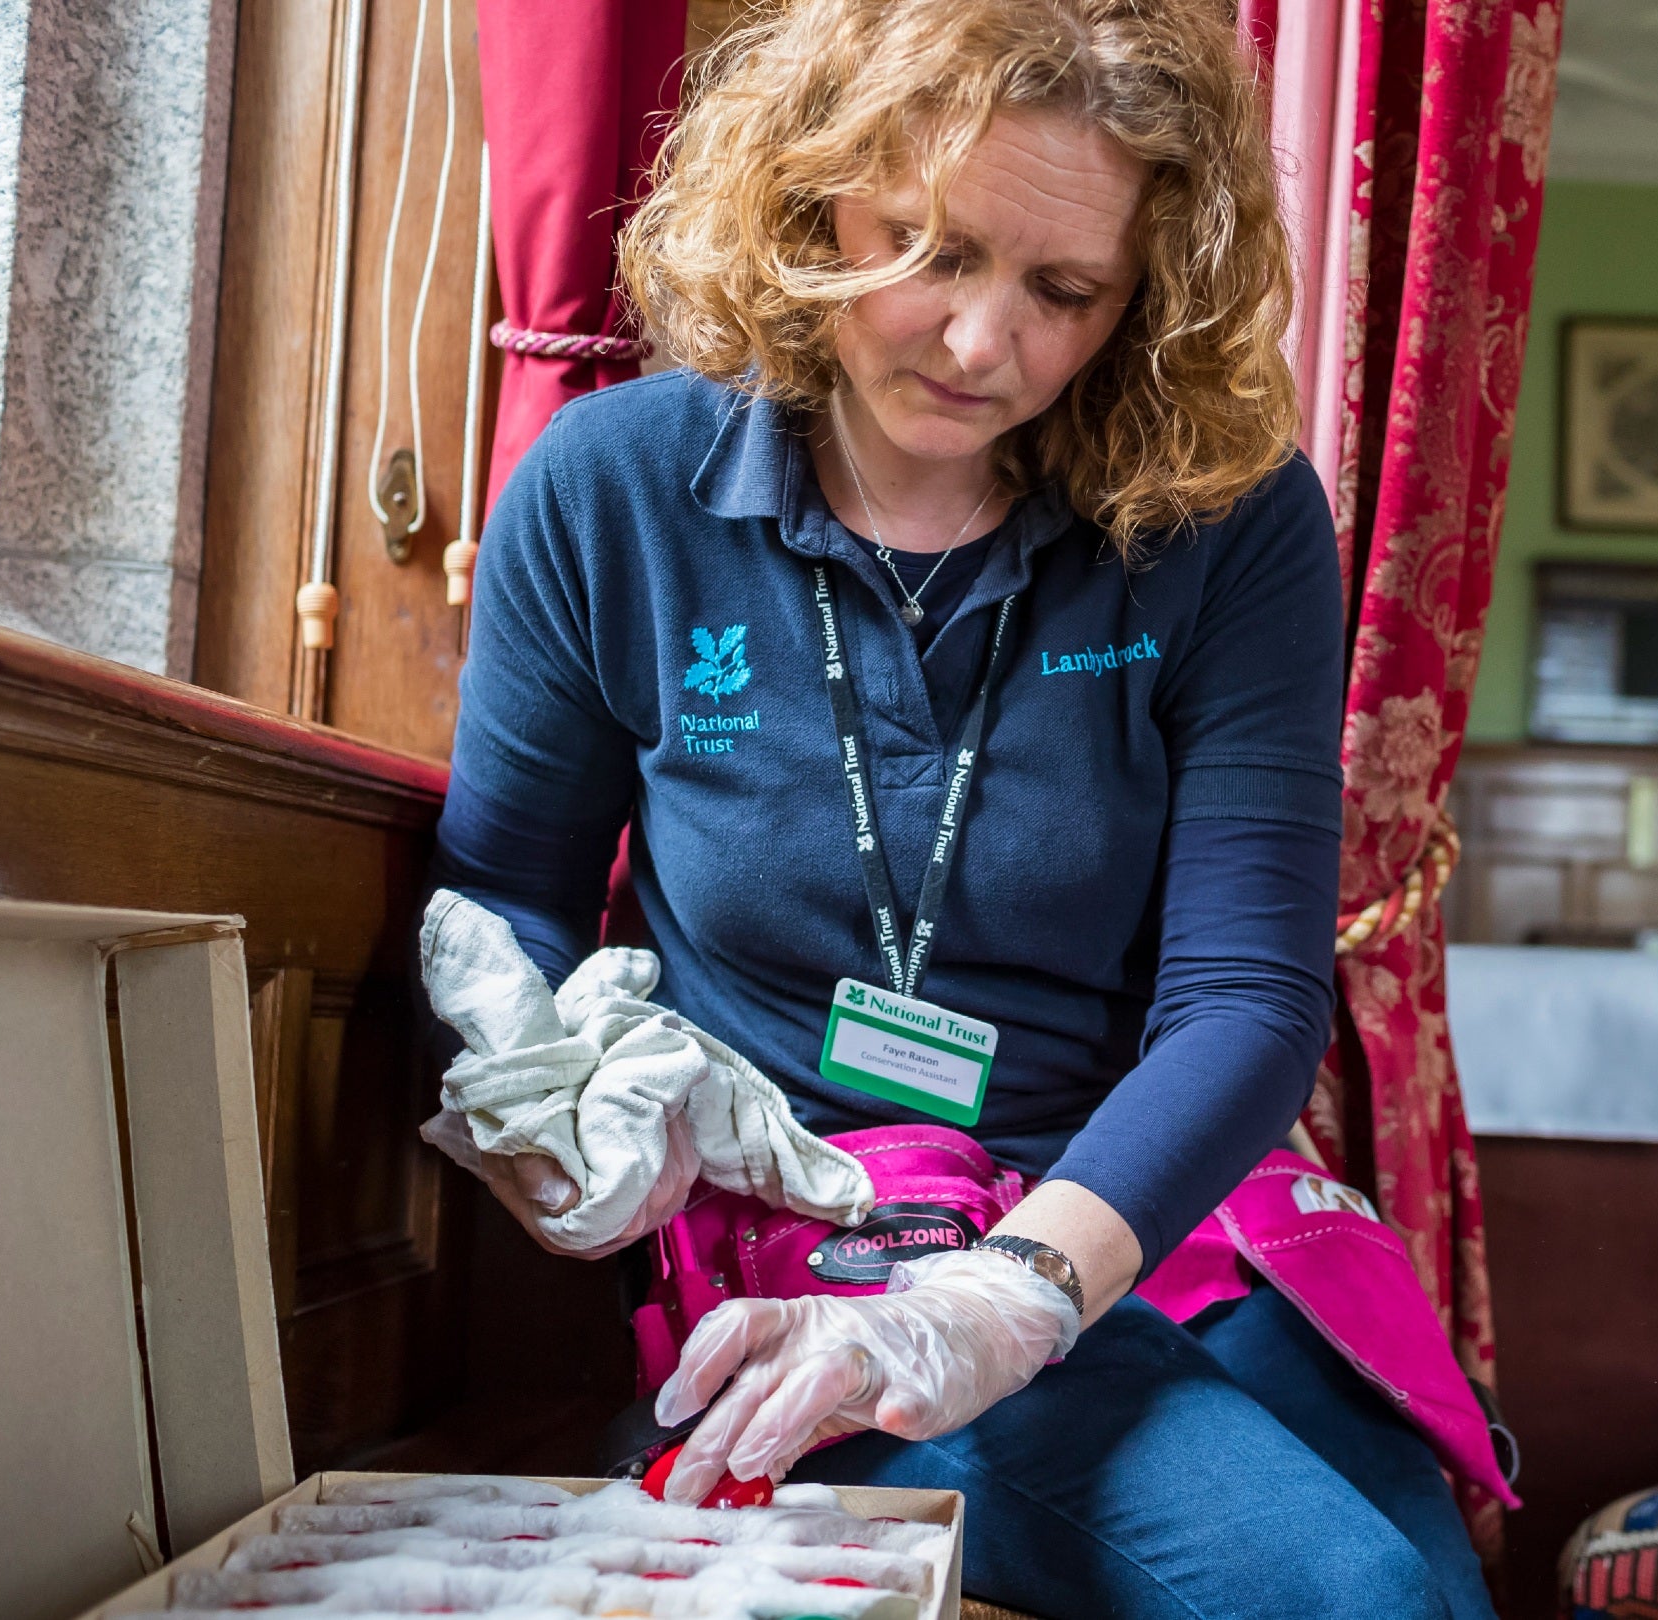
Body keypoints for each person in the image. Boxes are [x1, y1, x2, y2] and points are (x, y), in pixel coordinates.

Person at [428, 1, 1492, 1614]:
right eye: (927, 248)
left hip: (1139, 1213)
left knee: (1427, 1584)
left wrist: (1011, 1296)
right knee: (1354, 1600)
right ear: (813, 196)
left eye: (1062, 292)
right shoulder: (610, 492)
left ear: (1144, 298)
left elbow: (1247, 999)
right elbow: (507, 893)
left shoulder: (1232, 521)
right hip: (822, 1246)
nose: (982, 342)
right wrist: (538, 1091)